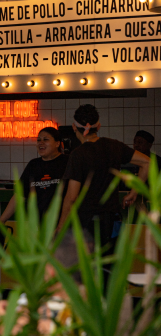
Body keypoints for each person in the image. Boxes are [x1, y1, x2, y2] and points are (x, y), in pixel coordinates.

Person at [56, 104, 150, 246]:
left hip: (86, 223)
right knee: (107, 265)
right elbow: (147, 162)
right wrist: (134, 192)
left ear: (74, 127)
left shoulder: (78, 154)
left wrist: (60, 227)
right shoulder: (114, 146)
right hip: (111, 221)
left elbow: (72, 197)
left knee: (87, 266)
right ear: (98, 126)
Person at [0, 127, 69, 223]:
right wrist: (1, 221)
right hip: (36, 225)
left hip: (63, 224)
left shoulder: (68, 162)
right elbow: (19, 196)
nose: (41, 143)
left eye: (46, 139)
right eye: (38, 140)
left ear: (57, 143)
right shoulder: (33, 165)